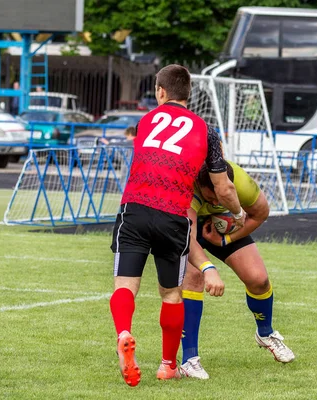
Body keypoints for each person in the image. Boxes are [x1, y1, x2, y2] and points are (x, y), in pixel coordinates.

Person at [108, 64, 245, 387]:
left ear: (160, 92)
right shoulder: (207, 131)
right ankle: (168, 365)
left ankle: (124, 333)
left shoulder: (144, 121)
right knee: (171, 293)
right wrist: (237, 213)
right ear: (190, 94)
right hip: (174, 214)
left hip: (135, 208)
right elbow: (222, 188)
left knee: (125, 285)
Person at [180, 161, 295, 379]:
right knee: (193, 276)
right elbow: (187, 238)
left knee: (258, 279)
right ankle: (189, 360)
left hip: (220, 229)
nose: (213, 202)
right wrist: (208, 268)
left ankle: (266, 333)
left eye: (219, 198)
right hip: (187, 230)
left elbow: (260, 213)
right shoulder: (188, 184)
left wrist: (226, 240)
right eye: (209, 197)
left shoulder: (241, 182)